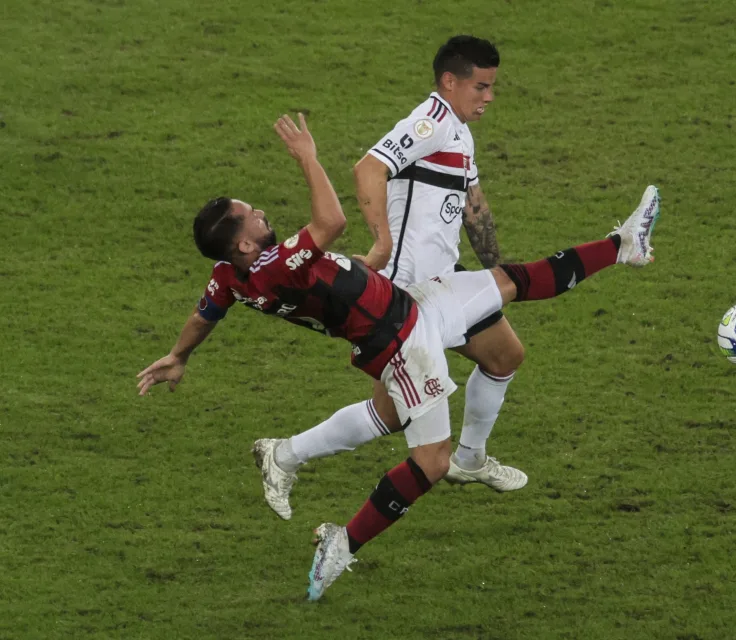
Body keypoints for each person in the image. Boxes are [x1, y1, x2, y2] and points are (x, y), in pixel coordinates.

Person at [135, 113, 661, 601]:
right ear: (244, 245)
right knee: (430, 462)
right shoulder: (273, 266)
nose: (260, 212)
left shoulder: (231, 276)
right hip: (402, 344)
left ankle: (622, 246)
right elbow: (332, 221)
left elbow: (206, 314)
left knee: (509, 282)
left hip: (408, 305)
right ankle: (342, 543)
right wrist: (307, 157)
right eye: (250, 215)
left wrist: (178, 355)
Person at [252, 35, 526, 523]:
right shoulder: (431, 122)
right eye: (481, 87)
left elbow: (473, 206)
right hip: (405, 297)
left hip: (445, 285)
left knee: (505, 354)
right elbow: (369, 167)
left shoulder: (459, 133)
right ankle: (284, 454)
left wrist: (495, 274)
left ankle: (470, 459)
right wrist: (380, 242)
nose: (489, 97)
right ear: (450, 81)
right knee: (393, 415)